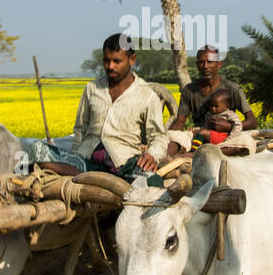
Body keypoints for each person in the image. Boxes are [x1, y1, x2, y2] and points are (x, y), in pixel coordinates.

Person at [23, 32, 167, 180]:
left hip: (124, 163)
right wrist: (74, 157)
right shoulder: (92, 88)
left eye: (117, 61)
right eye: (106, 61)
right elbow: (80, 129)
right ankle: (93, 178)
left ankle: (95, 179)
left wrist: (153, 155)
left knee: (152, 180)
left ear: (132, 60)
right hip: (85, 160)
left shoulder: (146, 95)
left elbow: (158, 136)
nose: (110, 66)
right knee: (37, 149)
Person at [170, 45, 258, 136]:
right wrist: (167, 136)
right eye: (201, 62)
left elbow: (252, 121)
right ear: (197, 65)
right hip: (200, 136)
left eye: (210, 62)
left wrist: (229, 126)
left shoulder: (233, 89)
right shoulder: (189, 91)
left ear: (219, 64)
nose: (205, 66)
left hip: (225, 137)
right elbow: (180, 123)